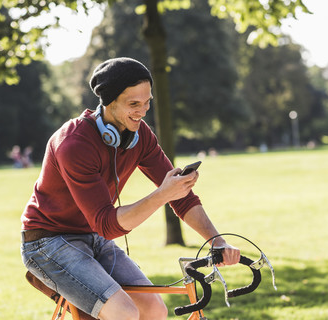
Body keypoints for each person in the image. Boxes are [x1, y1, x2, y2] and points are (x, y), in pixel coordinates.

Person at [20, 57, 240, 320]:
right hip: (48, 242)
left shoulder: (140, 135)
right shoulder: (74, 144)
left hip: (92, 238)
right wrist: (162, 195)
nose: (142, 111)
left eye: (147, 103)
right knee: (123, 313)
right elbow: (107, 224)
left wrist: (217, 240)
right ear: (108, 102)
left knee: (154, 310)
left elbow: (182, 198)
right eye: (133, 104)